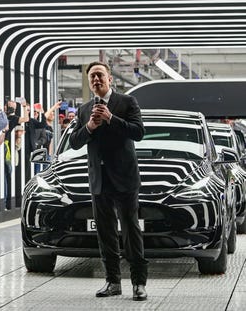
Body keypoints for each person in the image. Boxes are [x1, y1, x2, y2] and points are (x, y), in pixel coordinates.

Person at [69, 61, 148, 301]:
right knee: (105, 233)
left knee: (131, 230)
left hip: (124, 178)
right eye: (92, 76)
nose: (96, 80)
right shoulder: (84, 110)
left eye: (100, 75)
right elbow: (74, 142)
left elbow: (139, 133)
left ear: (110, 78)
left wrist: (111, 118)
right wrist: (90, 126)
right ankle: (112, 281)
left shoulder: (127, 103)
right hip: (99, 180)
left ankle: (138, 284)